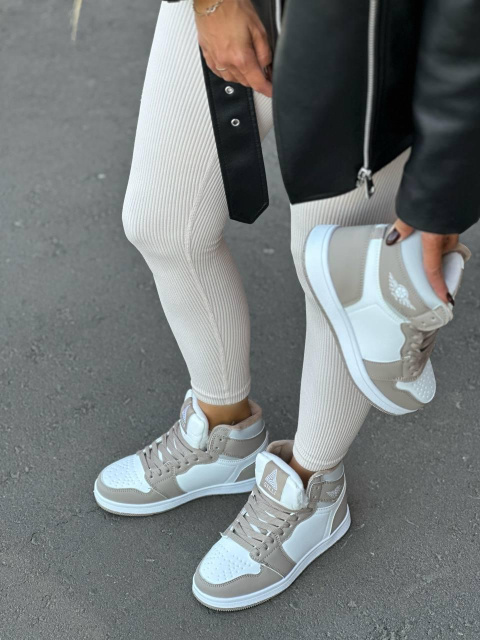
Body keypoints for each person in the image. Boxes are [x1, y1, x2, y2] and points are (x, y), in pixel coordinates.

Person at [93, 0, 479, 610]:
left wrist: (446, 182)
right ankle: (224, 430)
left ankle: (310, 484)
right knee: (162, 220)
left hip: (366, 22)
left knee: (338, 270)